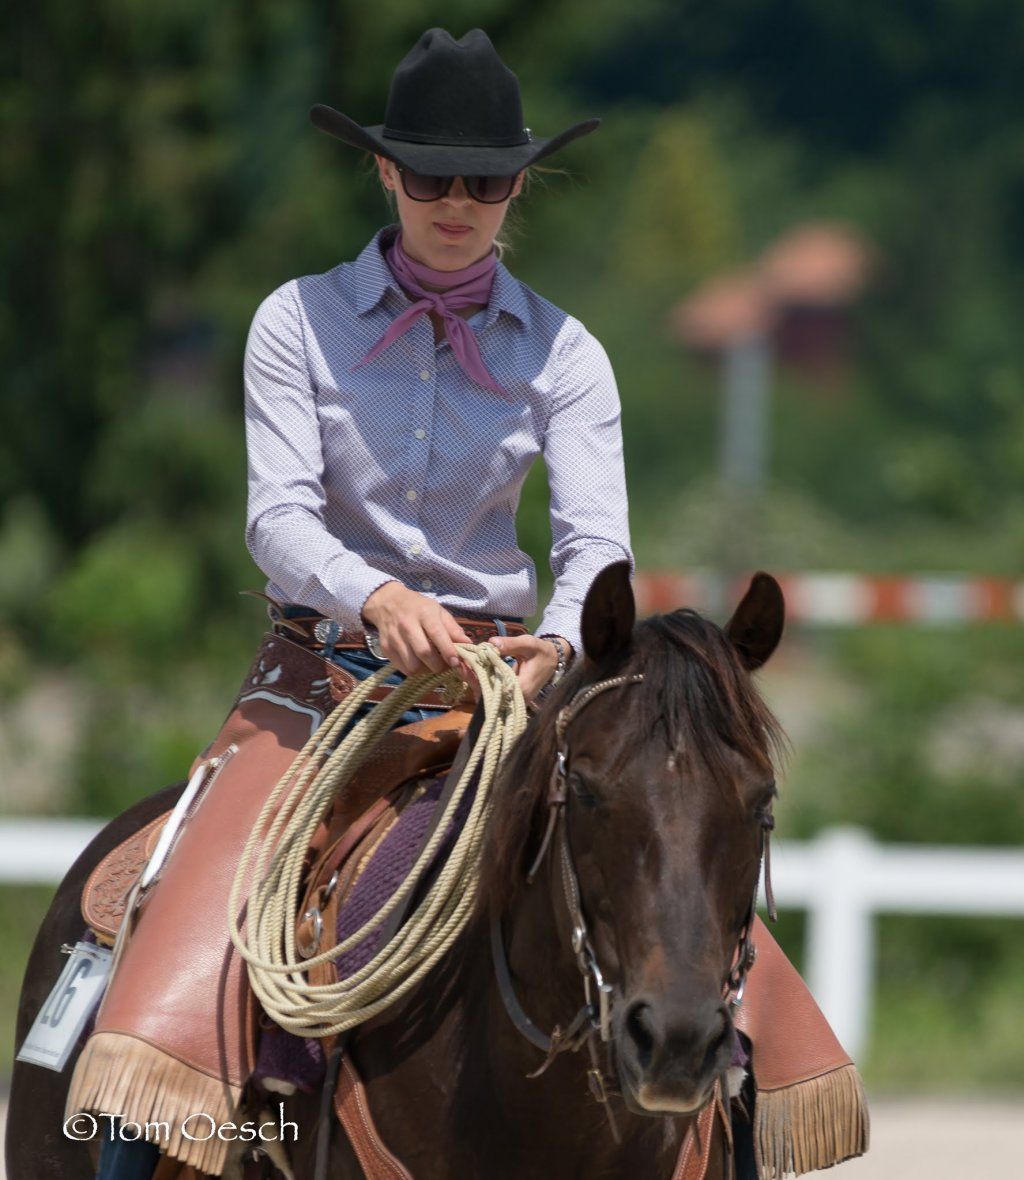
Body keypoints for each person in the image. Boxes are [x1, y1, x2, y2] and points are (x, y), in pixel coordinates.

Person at [92, 26, 632, 1178]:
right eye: (430, 175)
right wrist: (373, 593)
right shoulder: (295, 321)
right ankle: (135, 1147)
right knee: (178, 930)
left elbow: (599, 551)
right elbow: (276, 521)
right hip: (320, 679)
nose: (456, 201)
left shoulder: (568, 353)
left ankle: (729, 1109)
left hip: (505, 687)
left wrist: (556, 647)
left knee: (676, 876)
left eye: (483, 179)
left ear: (517, 184)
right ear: (384, 174)